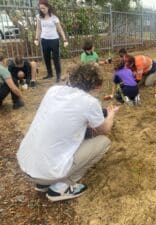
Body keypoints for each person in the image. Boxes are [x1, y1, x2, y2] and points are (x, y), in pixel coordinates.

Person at [17, 63, 119, 202]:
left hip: (26, 165)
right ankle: (62, 187)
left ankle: (43, 183)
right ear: (97, 86)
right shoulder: (89, 102)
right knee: (103, 142)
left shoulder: (53, 90)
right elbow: (105, 129)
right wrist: (111, 114)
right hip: (47, 173)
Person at [34, 0, 68, 83]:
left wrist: (64, 39)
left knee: (56, 58)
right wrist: (36, 38)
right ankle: (49, 74)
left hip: (54, 40)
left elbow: (60, 29)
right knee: (46, 58)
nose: (42, 10)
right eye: (40, 8)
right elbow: (38, 28)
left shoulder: (54, 17)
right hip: (44, 40)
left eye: (43, 8)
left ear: (48, 7)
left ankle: (58, 75)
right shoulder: (39, 17)